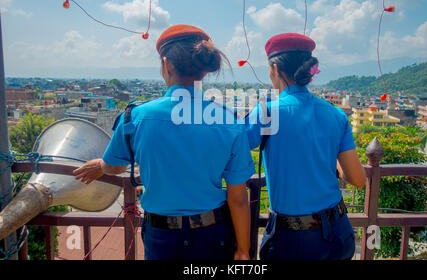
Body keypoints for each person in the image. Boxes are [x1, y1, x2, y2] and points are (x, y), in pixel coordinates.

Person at [73, 25, 255, 260]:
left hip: (162, 237)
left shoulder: (136, 117)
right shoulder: (228, 119)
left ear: (167, 64)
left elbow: (113, 167)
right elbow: (238, 199)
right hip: (213, 234)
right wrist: (243, 249)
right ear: (202, 71)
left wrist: (99, 165)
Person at [245, 33, 367, 260]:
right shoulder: (336, 114)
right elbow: (358, 180)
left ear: (274, 69)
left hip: (293, 239)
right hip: (338, 232)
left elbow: (233, 149)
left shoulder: (267, 112)